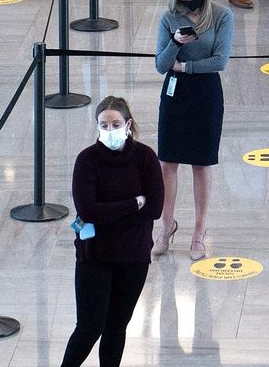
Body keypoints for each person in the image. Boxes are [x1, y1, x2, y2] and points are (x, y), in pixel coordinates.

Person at [60, 95, 164, 367]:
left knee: (116, 327)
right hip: (95, 255)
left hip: (133, 256)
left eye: (115, 124)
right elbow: (88, 211)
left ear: (128, 124)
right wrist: (132, 204)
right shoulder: (87, 160)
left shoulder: (145, 158)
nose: (109, 130)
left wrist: (110, 213)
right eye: (103, 125)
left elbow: (154, 209)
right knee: (89, 327)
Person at [153, 0, 234, 262]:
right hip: (175, 93)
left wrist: (186, 66)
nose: (190, 1)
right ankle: (166, 227)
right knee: (167, 164)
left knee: (201, 164)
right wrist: (175, 43)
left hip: (206, 93)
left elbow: (219, 61)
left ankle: (199, 232)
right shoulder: (168, 19)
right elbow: (161, 65)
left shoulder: (222, 16)